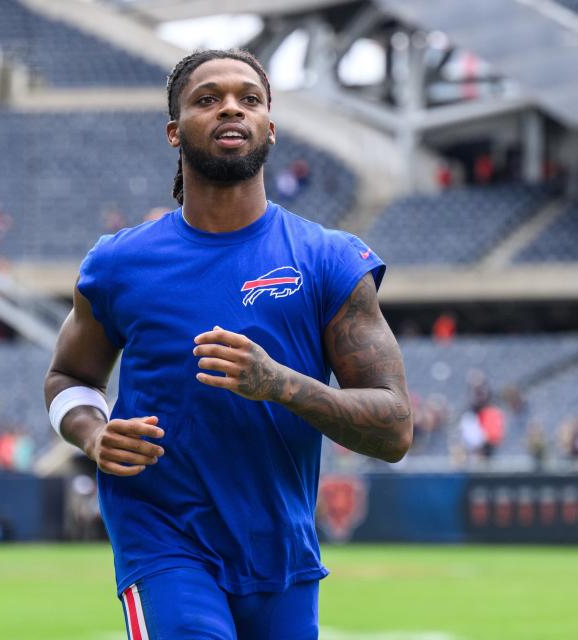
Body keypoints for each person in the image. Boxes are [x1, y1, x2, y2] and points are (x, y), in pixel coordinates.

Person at [43, 49, 412, 639]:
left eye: (249, 97)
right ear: (174, 131)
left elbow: (394, 429)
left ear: (270, 124)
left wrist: (282, 384)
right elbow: (67, 379)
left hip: (280, 547)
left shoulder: (330, 260)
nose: (230, 108)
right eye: (207, 99)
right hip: (162, 538)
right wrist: (93, 432)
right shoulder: (118, 263)